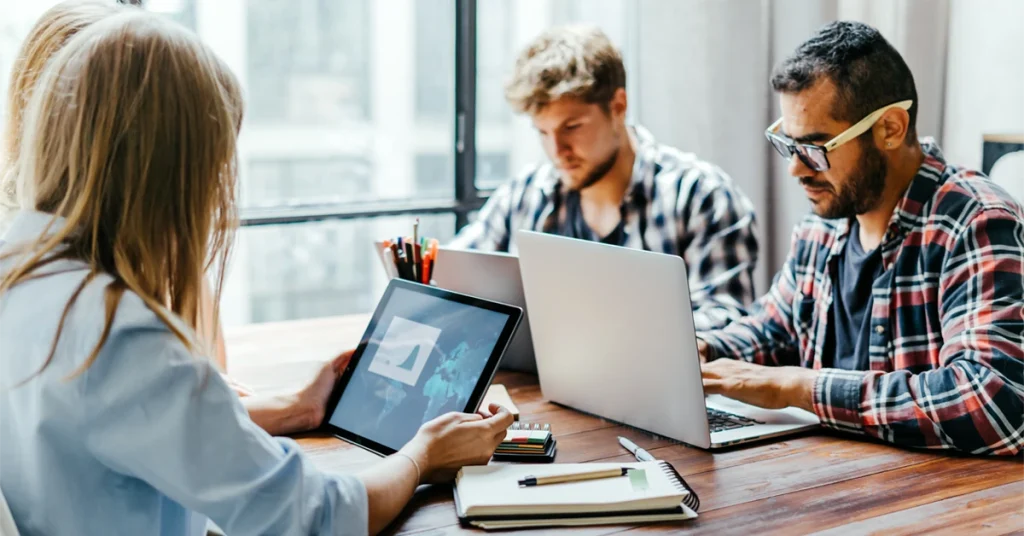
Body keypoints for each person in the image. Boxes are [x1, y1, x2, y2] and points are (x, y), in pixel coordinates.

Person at [0, 9, 512, 535]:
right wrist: (423, 455)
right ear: (175, 175)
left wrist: (296, 408)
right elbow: (317, 518)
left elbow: (141, 424)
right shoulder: (120, 337)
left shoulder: (24, 275)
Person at [0, 0, 334, 437]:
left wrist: (293, 406)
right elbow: (180, 405)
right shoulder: (81, 296)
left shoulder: (50, 254)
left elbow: (177, 406)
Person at [698, 21, 1024, 455]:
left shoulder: (976, 223)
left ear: (889, 128)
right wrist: (702, 351)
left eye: (815, 149)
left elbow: (992, 403)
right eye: (789, 146)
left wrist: (803, 387)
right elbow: (774, 330)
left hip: (932, 502)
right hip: (833, 477)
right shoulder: (826, 219)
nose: (797, 169)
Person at [450, 25, 759, 331]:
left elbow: (726, 321)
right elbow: (452, 280)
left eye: (571, 127)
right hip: (533, 381)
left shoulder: (699, 196)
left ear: (618, 106)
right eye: (543, 132)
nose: (556, 151)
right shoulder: (525, 193)